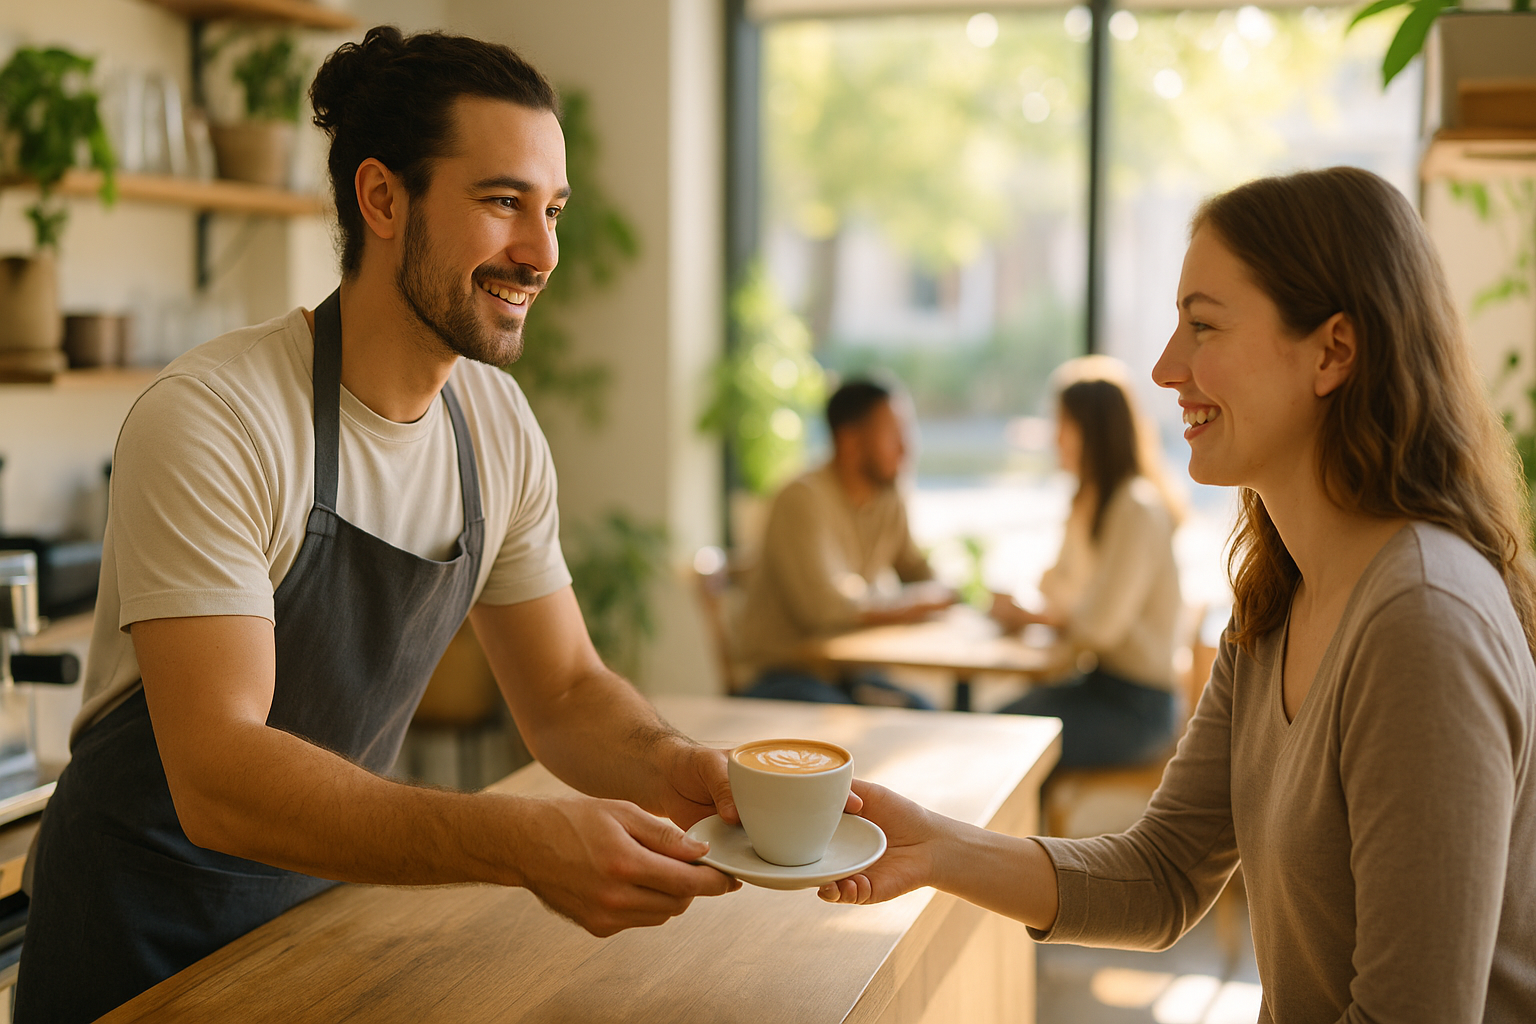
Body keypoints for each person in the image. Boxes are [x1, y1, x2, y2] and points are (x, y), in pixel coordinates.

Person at [17, 29, 744, 1023]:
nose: (542, 252)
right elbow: (220, 775)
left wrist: (675, 766)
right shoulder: (218, 417)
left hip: (323, 927)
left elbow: (567, 689)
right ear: (383, 199)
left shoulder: (495, 428)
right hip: (141, 955)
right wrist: (519, 840)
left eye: (552, 210)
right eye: (503, 203)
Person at [817, 167, 1536, 1021]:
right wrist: (939, 848)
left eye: (1202, 326)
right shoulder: (1277, 602)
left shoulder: (1423, 621)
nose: (1165, 367)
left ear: (1333, 352)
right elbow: (1161, 876)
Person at [989, 356, 1184, 768]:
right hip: (1102, 687)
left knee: (1000, 739)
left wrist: (1033, 618)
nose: (1054, 437)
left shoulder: (1136, 508)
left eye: (1062, 424)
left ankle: (1017, 834)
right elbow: (1058, 588)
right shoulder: (1096, 501)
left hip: (1137, 708)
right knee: (991, 727)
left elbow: (1098, 627)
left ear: (1090, 431)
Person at [733, 380, 954, 706]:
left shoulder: (887, 497)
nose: (907, 449)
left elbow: (917, 570)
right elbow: (826, 609)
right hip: (781, 673)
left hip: (845, 673)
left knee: (923, 711)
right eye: (893, 435)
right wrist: (917, 603)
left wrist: (944, 592)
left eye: (908, 432)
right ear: (850, 442)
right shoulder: (802, 500)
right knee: (854, 723)